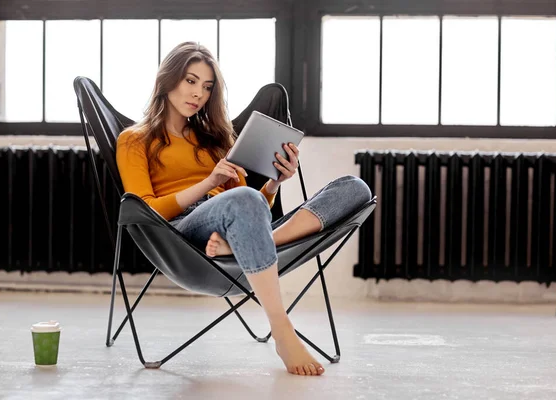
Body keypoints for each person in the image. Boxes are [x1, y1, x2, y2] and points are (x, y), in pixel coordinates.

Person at [116, 42, 372, 376]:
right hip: (181, 231)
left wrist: (275, 183)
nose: (198, 94)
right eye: (191, 81)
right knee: (242, 200)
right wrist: (209, 184)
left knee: (354, 188)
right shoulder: (134, 139)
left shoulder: (215, 140)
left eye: (207, 87)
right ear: (168, 80)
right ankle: (281, 329)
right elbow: (146, 208)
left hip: (240, 226)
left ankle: (250, 243)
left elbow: (254, 209)